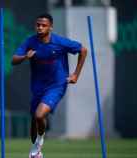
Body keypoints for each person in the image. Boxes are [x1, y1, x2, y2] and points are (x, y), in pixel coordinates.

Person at [11, 13, 87, 158]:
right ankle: (37, 150)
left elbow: (83, 50)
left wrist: (76, 74)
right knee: (34, 120)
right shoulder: (30, 41)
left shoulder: (60, 42)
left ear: (50, 27)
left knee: (40, 115)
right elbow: (14, 60)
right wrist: (25, 57)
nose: (40, 27)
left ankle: (39, 143)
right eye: (38, 24)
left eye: (43, 25)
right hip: (37, 87)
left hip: (56, 85)